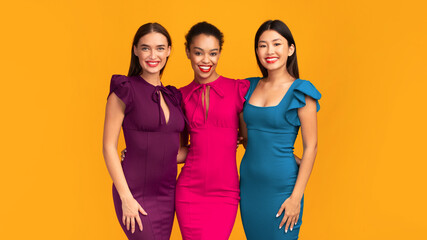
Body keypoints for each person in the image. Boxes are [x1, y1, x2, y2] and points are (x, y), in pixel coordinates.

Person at [102, 23, 186, 240]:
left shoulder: (172, 96)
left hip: (167, 194)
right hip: (134, 193)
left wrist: (220, 142)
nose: (153, 55)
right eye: (146, 48)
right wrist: (126, 198)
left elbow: (174, 153)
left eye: (159, 48)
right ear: (135, 50)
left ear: (168, 51)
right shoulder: (125, 89)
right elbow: (109, 147)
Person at [239, 20, 321, 240]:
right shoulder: (248, 87)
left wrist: (296, 198)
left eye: (277, 44)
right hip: (249, 185)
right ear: (257, 50)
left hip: (282, 187)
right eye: (263, 45)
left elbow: (311, 147)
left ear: (290, 49)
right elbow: (249, 138)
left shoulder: (301, 91)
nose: (270, 51)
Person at [175, 22, 250, 240]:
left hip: (225, 192)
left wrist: (286, 155)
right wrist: (138, 154)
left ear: (219, 54)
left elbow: (248, 141)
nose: (206, 60)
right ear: (188, 52)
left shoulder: (237, 89)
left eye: (213, 53)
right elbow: (180, 150)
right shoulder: (180, 96)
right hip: (189, 190)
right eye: (198, 53)